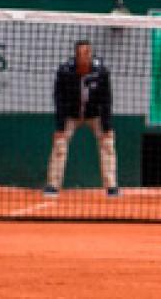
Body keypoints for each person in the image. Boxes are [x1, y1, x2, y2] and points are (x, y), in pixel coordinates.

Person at [44, 40, 118, 198]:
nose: (84, 57)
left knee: (108, 143)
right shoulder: (65, 71)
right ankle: (52, 185)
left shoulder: (101, 71)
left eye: (87, 54)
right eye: (81, 54)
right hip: (71, 114)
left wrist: (107, 126)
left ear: (91, 55)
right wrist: (60, 127)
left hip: (95, 114)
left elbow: (106, 99)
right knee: (59, 143)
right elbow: (59, 98)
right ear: (76, 56)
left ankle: (111, 186)